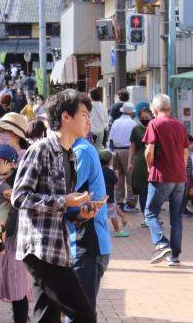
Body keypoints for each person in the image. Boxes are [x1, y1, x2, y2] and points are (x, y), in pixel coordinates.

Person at [12, 89, 100, 323]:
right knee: (85, 314)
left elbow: (60, 210)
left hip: (56, 246)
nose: (88, 120)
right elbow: (19, 197)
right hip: (40, 248)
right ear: (65, 117)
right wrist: (64, 201)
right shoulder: (40, 149)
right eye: (83, 114)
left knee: (46, 316)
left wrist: (80, 213)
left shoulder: (70, 154)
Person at [0, 114, 33, 323]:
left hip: (17, 231)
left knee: (18, 284)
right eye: (1, 132)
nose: (2, 136)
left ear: (17, 135)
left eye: (7, 132)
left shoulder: (29, 160)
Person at [66, 134, 112, 317]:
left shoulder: (81, 151)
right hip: (81, 243)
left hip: (86, 243)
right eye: (83, 114)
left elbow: (65, 193)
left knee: (79, 312)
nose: (87, 121)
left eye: (86, 115)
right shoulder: (73, 150)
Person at [143, 94, 189, 267]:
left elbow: (149, 150)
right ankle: (174, 256)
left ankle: (161, 244)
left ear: (155, 110)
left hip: (161, 175)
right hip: (180, 176)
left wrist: (150, 166)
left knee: (150, 212)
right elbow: (185, 152)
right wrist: (181, 169)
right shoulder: (179, 125)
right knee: (176, 217)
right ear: (169, 108)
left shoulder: (154, 124)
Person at [109, 101, 138, 213]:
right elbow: (134, 141)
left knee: (119, 177)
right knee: (130, 177)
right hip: (128, 150)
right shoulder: (132, 124)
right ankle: (130, 203)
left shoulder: (116, 122)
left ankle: (119, 202)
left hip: (116, 151)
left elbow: (111, 139)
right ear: (131, 113)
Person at [128, 107, 153, 224]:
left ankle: (153, 215)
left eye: (147, 118)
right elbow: (132, 146)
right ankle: (146, 216)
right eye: (142, 118)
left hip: (154, 163)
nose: (144, 120)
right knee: (143, 190)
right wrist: (129, 162)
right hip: (140, 163)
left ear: (151, 116)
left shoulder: (155, 128)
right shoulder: (136, 130)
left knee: (154, 191)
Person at [99, 151, 129, 237]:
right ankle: (117, 231)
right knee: (113, 215)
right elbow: (116, 183)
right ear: (109, 162)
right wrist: (117, 174)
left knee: (102, 214)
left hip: (100, 197)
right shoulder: (110, 172)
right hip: (109, 197)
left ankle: (101, 230)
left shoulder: (98, 171)